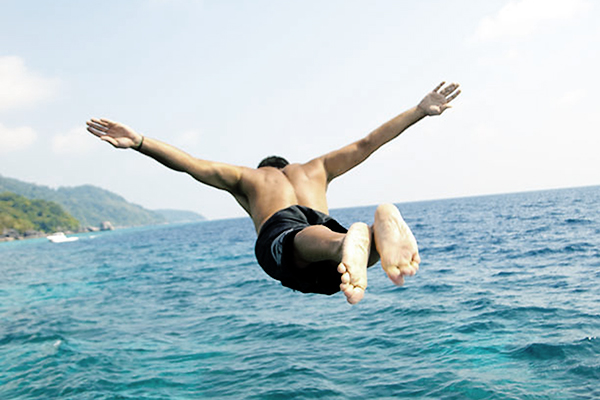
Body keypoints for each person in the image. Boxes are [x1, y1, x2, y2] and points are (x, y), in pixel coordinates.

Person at [86, 82, 460, 304]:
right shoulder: (317, 169)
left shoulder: (250, 178)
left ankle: (347, 242)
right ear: (288, 164)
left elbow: (191, 164)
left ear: (266, 167)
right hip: (327, 227)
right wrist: (418, 110)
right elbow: (366, 143)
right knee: (343, 263)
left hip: (289, 232)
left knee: (299, 242)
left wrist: (139, 141)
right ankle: (366, 236)